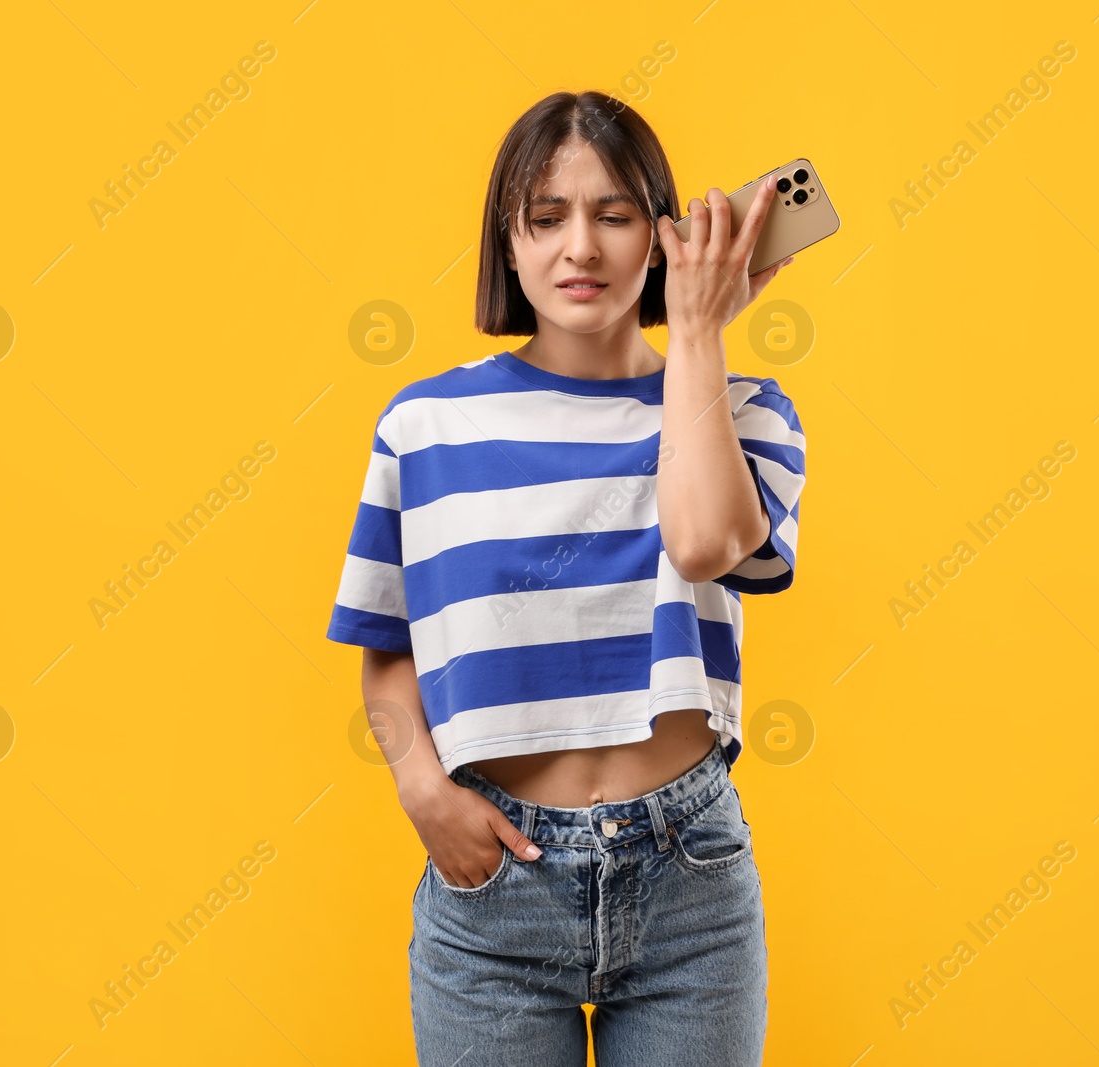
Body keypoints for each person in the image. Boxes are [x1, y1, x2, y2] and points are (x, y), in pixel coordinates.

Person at [325, 90, 806, 1066]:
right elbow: (385, 651)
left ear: (662, 240)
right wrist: (424, 792)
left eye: (614, 215)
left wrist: (700, 333)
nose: (578, 247)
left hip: (689, 880)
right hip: (495, 889)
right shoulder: (425, 426)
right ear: (509, 244)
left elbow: (708, 539)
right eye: (546, 217)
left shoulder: (745, 409)